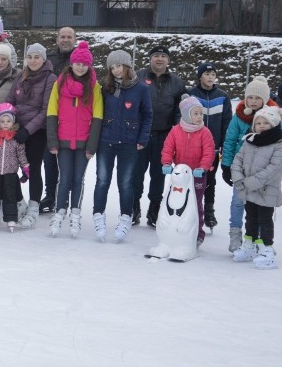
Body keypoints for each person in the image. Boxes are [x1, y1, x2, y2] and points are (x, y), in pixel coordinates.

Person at [91, 50, 152, 242]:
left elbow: (147, 115)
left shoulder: (141, 89)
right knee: (102, 180)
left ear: (127, 66)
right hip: (106, 141)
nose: (116, 70)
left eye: (119, 66)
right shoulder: (104, 87)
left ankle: (126, 217)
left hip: (129, 142)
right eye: (112, 67)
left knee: (125, 183)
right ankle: (98, 216)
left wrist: (142, 139)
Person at [46, 41, 103, 238]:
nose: (80, 67)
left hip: (83, 143)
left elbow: (98, 117)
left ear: (89, 66)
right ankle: (59, 211)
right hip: (62, 141)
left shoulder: (95, 87)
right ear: (72, 64)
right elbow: (52, 112)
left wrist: (91, 146)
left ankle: (75, 212)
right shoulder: (59, 83)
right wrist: (52, 141)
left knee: (78, 179)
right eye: (77, 63)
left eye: (84, 64)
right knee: (64, 179)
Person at [221, 76, 282, 252]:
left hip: (264, 170)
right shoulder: (239, 116)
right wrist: (226, 166)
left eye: (257, 97)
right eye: (250, 97)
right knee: (238, 202)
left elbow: (281, 138)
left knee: (262, 205)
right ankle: (236, 234)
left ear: (265, 99)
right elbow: (230, 140)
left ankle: (261, 239)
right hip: (243, 168)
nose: (253, 101)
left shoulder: (273, 116)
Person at [131, 44, 186, 228]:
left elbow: (181, 108)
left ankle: (154, 208)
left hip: (164, 136)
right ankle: (133, 206)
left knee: (159, 174)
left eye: (163, 56)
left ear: (168, 60)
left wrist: (177, 128)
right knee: (136, 173)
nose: (159, 59)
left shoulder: (176, 82)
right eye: (156, 55)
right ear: (150, 59)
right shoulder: (138, 76)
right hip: (140, 135)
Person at [5, 43, 57, 229]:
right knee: (9, 167)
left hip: (36, 132)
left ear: (43, 59)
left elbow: (46, 110)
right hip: (16, 129)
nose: (33, 60)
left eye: (37, 57)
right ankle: (20, 202)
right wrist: (6, 120)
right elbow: (10, 101)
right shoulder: (21, 76)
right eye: (30, 57)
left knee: (34, 168)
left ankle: (34, 205)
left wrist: (28, 130)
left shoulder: (50, 79)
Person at [231, 105, 282, 269]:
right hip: (249, 190)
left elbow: (273, 170)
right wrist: (238, 178)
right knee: (250, 218)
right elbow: (238, 160)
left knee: (265, 220)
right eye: (258, 123)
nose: (261, 125)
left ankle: (267, 251)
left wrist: (249, 183)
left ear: (274, 124)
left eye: (266, 122)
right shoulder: (250, 140)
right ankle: (249, 246)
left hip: (266, 191)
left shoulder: (280, 145)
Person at [161, 95, 216, 246]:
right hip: (180, 176)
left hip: (197, 175)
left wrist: (202, 168)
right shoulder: (175, 131)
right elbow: (168, 148)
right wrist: (166, 163)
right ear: (186, 115)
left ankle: (198, 232)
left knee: (195, 204)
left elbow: (209, 152)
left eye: (201, 113)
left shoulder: (205, 132)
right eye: (195, 113)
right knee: (176, 202)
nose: (199, 117)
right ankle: (175, 230)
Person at [186, 61, 232, 230]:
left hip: (212, 148)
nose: (210, 77)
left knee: (209, 181)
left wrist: (223, 143)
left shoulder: (222, 96)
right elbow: (183, 117)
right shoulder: (191, 94)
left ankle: (209, 210)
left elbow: (227, 122)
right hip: (192, 146)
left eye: (213, 74)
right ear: (200, 77)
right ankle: (190, 208)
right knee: (190, 180)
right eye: (207, 74)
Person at [41, 26, 77, 213]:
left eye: (69, 37)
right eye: (62, 36)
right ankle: (50, 195)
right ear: (57, 40)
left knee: (68, 162)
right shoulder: (49, 60)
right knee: (49, 160)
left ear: (75, 39)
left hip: (71, 120)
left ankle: (66, 196)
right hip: (50, 118)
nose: (65, 40)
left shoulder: (79, 61)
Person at [0, 103, 28, 232]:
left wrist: (25, 168)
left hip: (11, 172)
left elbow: (21, 154)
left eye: (8, 121)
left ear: (13, 121)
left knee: (10, 196)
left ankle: (11, 218)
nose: (5, 123)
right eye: (2, 121)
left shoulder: (16, 139)